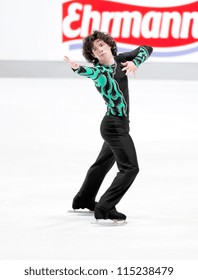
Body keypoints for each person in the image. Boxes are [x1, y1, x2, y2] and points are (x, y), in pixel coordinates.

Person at [64, 30, 153, 222]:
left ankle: (84, 199)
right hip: (114, 127)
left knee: (102, 164)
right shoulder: (100, 71)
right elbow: (89, 72)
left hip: (117, 124)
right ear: (93, 55)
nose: (99, 50)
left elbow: (147, 48)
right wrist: (77, 68)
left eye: (101, 45)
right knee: (130, 168)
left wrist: (135, 62)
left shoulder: (121, 59)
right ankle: (105, 207)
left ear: (109, 45)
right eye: (95, 50)